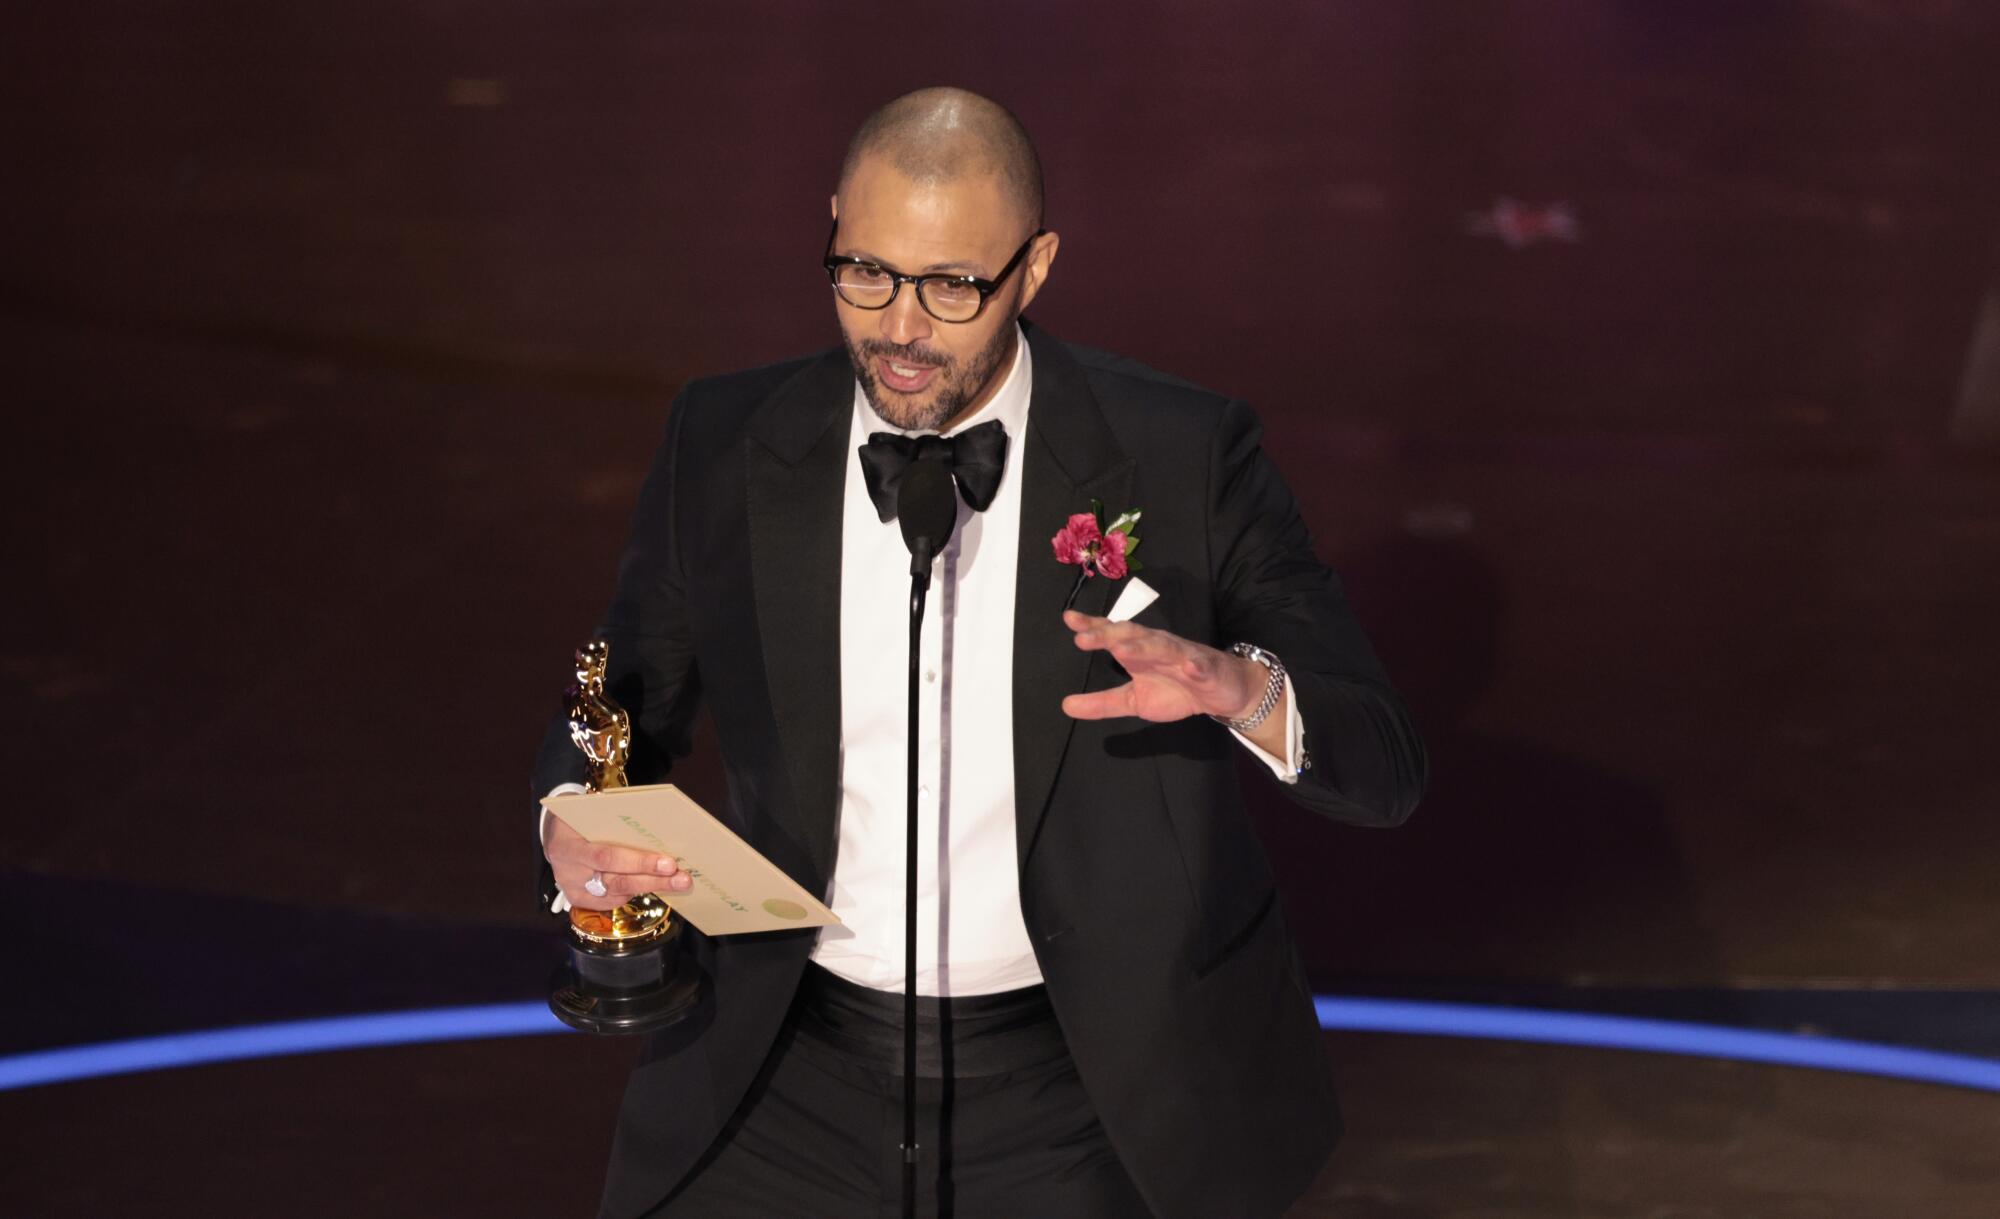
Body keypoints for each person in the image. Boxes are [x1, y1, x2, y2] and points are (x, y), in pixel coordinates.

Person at [532, 86, 1426, 1219]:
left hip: (1083, 1088)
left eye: (952, 285)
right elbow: (615, 703)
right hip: (781, 1066)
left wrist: (1241, 690)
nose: (901, 327)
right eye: (865, 272)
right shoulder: (726, 438)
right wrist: (571, 812)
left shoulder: (1181, 456)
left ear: (1035, 267)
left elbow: (1383, 764)